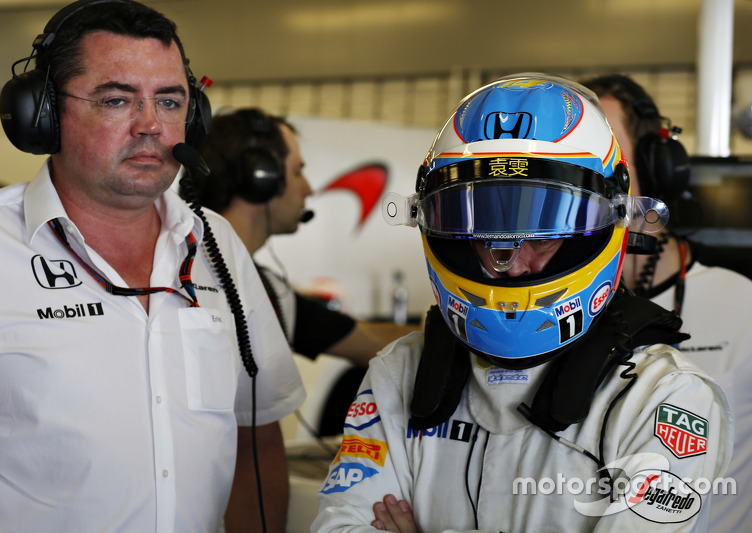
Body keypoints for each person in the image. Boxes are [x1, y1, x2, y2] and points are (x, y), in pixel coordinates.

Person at [311, 73, 732, 532]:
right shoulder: (399, 372)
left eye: (544, 233)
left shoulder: (667, 398)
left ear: (597, 230)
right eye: (482, 231)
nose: (511, 262)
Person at [0, 1, 304, 532]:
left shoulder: (216, 246)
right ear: (43, 115)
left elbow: (257, 431)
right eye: (116, 100)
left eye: (169, 101)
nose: (151, 126)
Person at [582, 72, 752, 532]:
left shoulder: (743, 305)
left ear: (657, 170)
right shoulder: (535, 309)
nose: (584, 173)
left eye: (602, 148)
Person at [194, 108, 419, 434]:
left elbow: (365, 340)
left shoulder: (266, 290)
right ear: (261, 176)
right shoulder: (181, 278)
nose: (309, 189)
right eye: (298, 171)